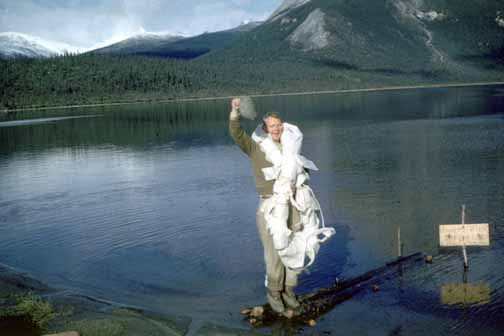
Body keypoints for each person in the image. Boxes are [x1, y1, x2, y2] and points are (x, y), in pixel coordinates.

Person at [228, 97, 302, 316]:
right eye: (272, 126)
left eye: (279, 125)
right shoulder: (255, 147)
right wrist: (235, 112)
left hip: (293, 203)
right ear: (264, 128)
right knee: (273, 252)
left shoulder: (290, 146)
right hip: (269, 206)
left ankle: (289, 290)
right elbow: (236, 133)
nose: (276, 129)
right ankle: (274, 293)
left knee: (295, 246)